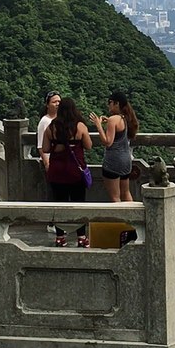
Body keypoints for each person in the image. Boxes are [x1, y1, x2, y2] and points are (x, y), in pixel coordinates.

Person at [42, 97, 93, 247]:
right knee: (79, 204)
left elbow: (45, 149)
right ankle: (81, 237)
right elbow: (89, 146)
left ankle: (60, 237)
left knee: (59, 205)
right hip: (75, 172)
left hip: (57, 172)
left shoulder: (51, 127)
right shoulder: (80, 126)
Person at [91, 90, 138, 202]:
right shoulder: (126, 118)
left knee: (115, 197)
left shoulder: (113, 119)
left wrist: (98, 125)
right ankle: (132, 213)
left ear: (117, 103)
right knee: (126, 193)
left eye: (110, 102)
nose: (109, 105)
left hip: (113, 161)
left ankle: (120, 214)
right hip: (126, 160)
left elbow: (108, 142)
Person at [35, 91, 60, 171]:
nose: (57, 104)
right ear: (47, 105)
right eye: (54, 102)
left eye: (59, 101)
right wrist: (47, 164)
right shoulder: (45, 121)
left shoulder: (62, 119)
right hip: (50, 161)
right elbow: (40, 146)